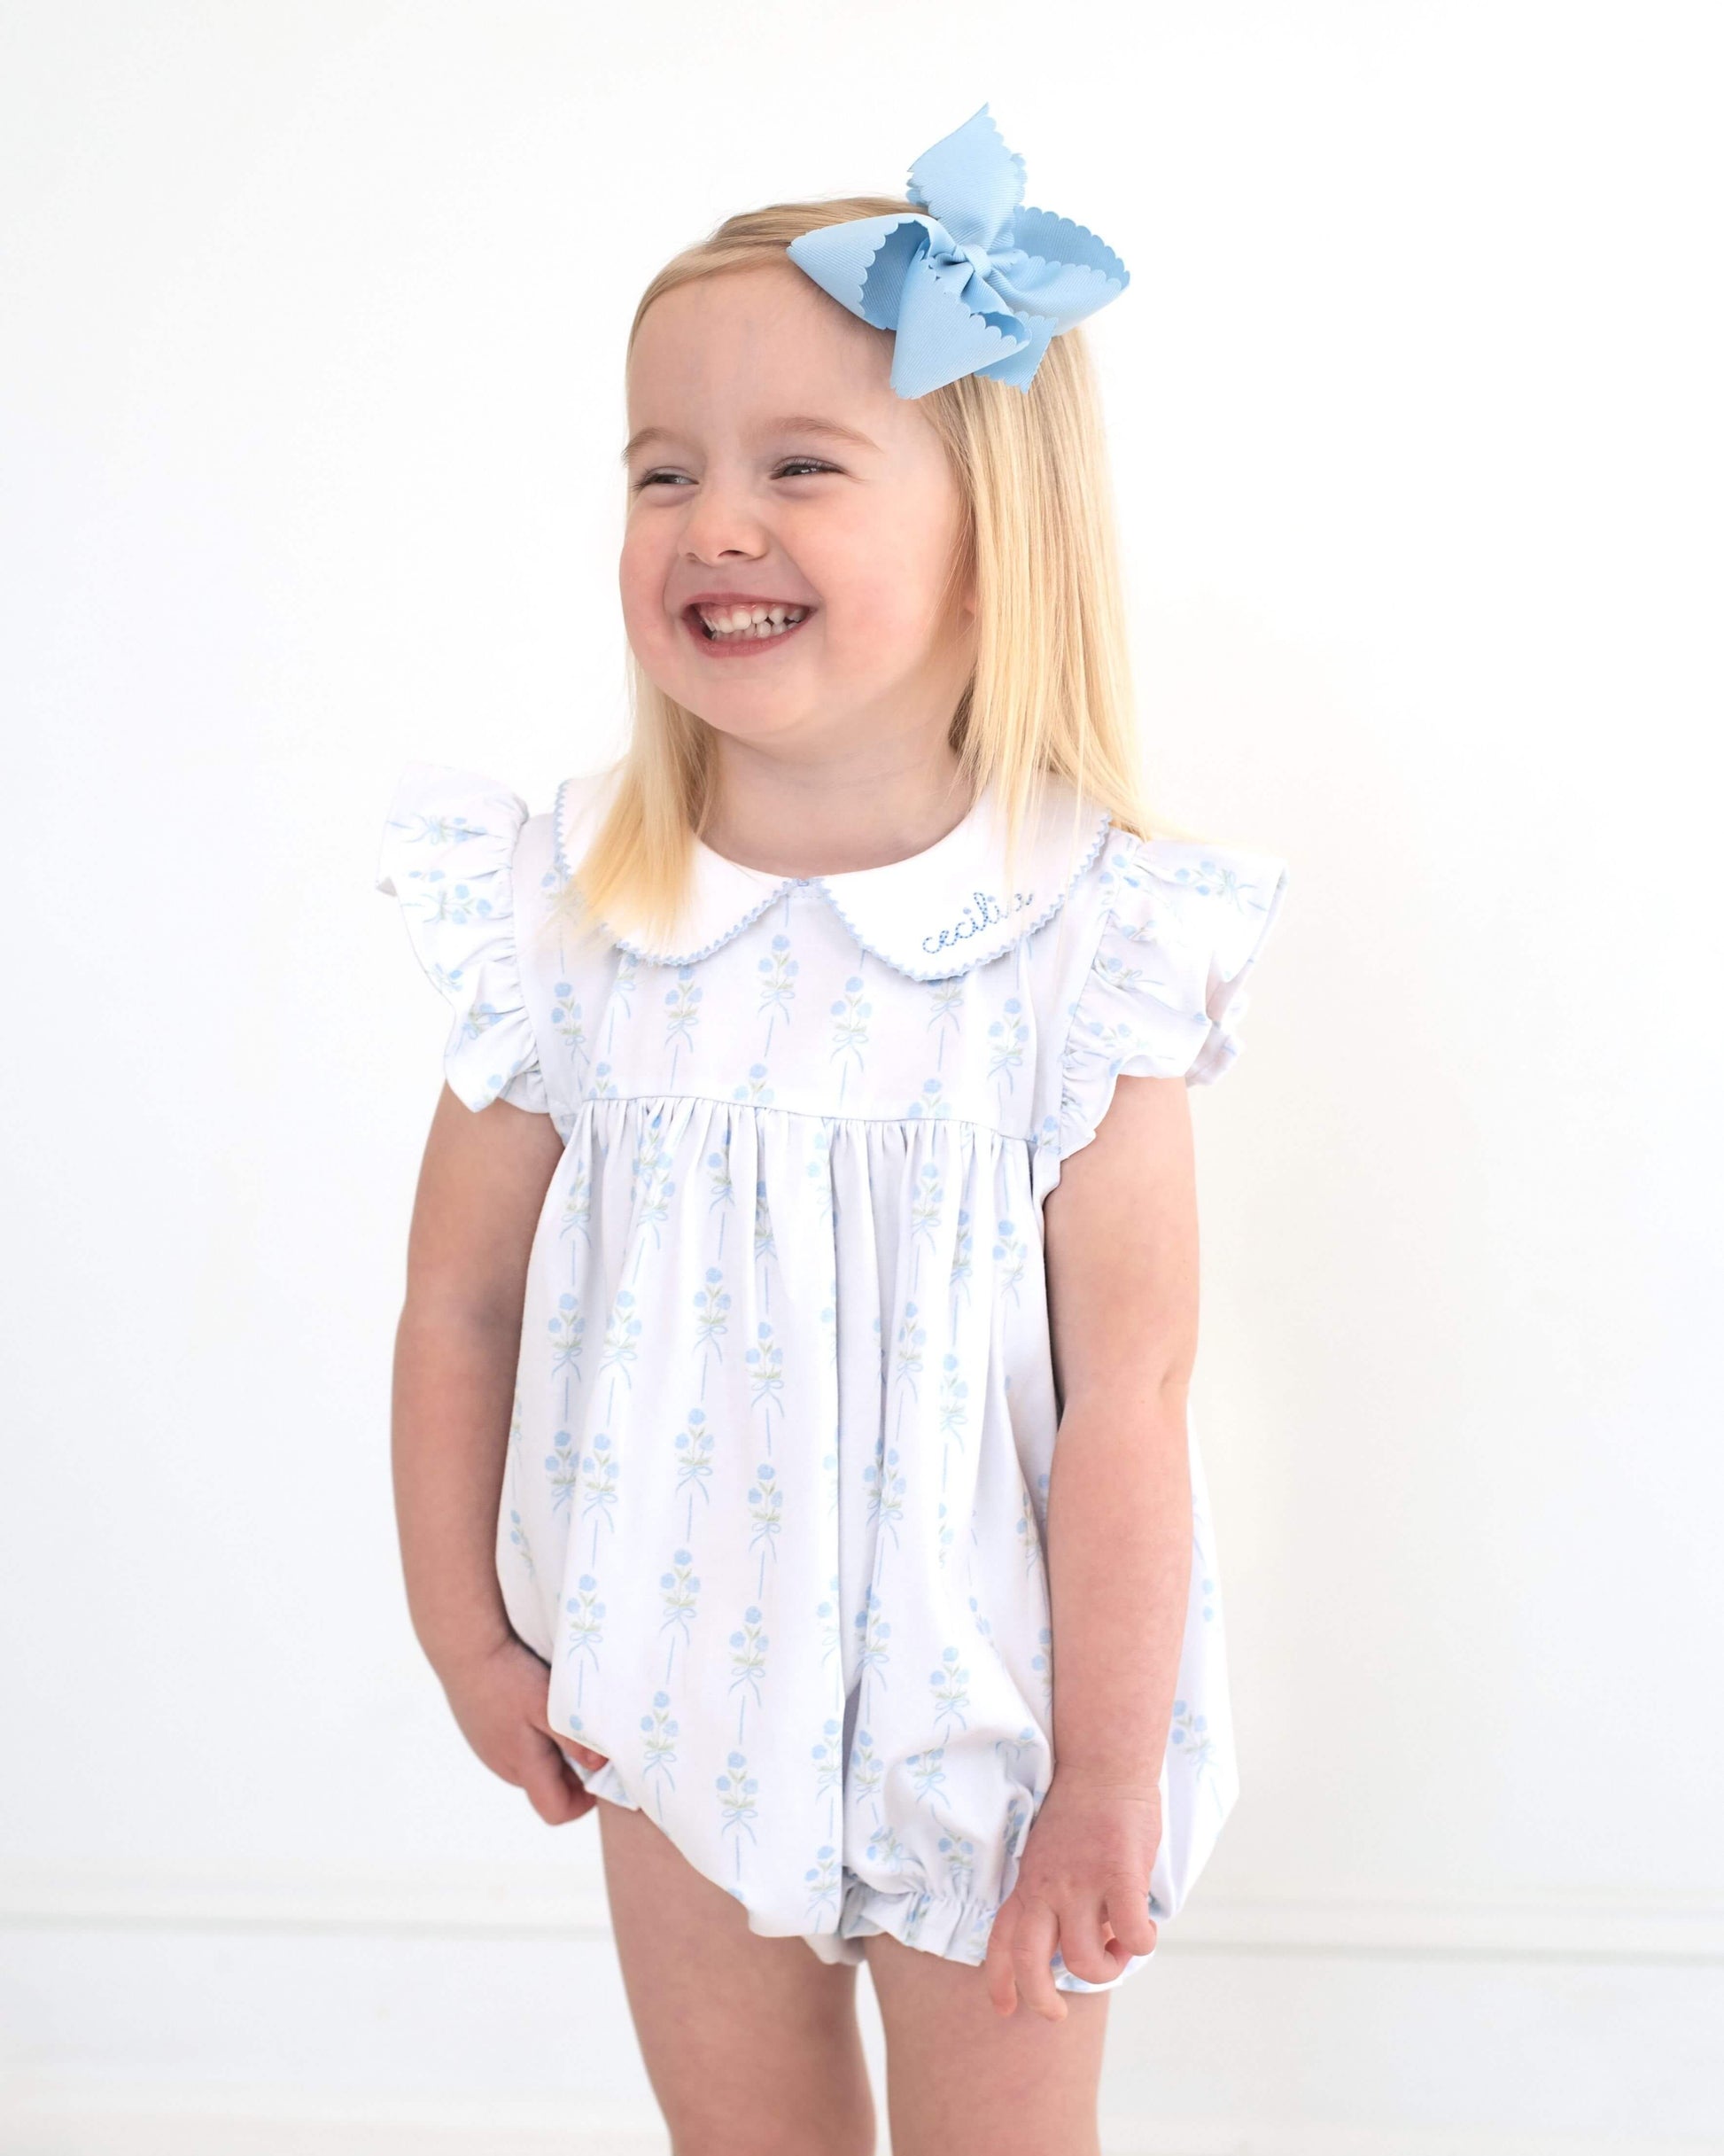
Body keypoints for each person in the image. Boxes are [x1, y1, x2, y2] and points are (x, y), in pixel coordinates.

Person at [375, 103, 1287, 2156]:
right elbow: (459, 1298)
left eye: (800, 466)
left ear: (994, 537)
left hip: (1003, 1724)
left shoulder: (1086, 949)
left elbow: (1132, 1394)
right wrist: (469, 1632)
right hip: (663, 1679)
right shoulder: (578, 930)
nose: (713, 522)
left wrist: (1105, 1775)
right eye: (661, 470)